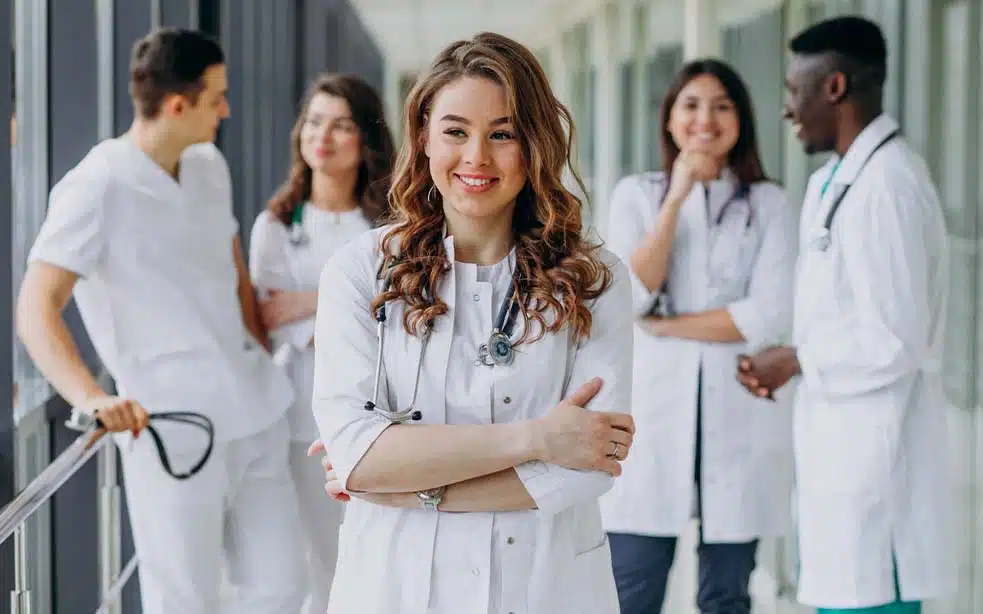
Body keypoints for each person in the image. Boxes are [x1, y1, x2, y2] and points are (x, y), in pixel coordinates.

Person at [309, 31, 635, 614]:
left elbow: (591, 466)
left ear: (534, 145)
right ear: (424, 138)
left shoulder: (595, 276)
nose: (477, 158)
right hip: (395, 588)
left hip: (547, 586)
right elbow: (360, 457)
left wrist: (406, 486)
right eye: (456, 131)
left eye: (502, 134)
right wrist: (538, 440)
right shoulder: (359, 271)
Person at [16, 28, 305, 614]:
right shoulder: (94, 187)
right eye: (217, 97)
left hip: (254, 408)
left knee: (282, 587)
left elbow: (231, 271)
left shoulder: (207, 165)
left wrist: (260, 334)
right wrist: (94, 398)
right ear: (178, 105)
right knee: (184, 600)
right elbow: (35, 307)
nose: (226, 110)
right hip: (173, 428)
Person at [735, 16, 954, 614]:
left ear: (833, 87)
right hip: (845, 459)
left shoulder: (887, 185)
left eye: (794, 90)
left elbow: (896, 338)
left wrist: (797, 359)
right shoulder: (844, 179)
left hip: (877, 471)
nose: (787, 109)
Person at [600, 58, 797, 614]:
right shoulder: (636, 196)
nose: (705, 119)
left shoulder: (770, 203)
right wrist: (675, 198)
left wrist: (665, 328)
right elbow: (632, 294)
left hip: (738, 416)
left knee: (727, 596)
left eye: (722, 105)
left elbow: (767, 315)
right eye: (691, 105)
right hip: (653, 421)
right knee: (632, 589)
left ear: (741, 120)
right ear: (669, 119)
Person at [248, 72, 395, 613]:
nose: (323, 137)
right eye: (313, 122)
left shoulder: (390, 225)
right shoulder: (277, 225)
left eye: (341, 125)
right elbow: (273, 320)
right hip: (302, 417)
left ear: (367, 140)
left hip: (382, 409)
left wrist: (310, 300)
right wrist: (352, 304)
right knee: (321, 561)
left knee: (373, 553)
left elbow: (398, 314)